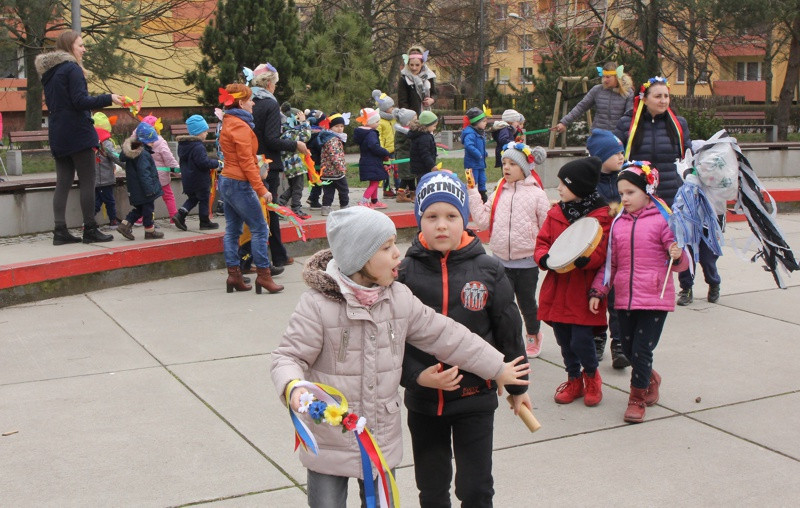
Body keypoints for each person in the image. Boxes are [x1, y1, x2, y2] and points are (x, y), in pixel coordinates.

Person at [270, 206, 530, 508]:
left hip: (379, 437)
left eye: (395, 244)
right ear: (360, 258)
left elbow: (448, 335)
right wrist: (293, 386)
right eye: (386, 247)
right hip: (330, 440)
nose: (398, 254)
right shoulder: (317, 306)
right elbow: (288, 355)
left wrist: (496, 366)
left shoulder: (399, 299)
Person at [398, 171, 531, 507]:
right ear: (419, 220)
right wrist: (416, 377)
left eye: (451, 216)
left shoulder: (488, 269)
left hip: (475, 400)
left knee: (476, 488)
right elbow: (389, 338)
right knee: (431, 488)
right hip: (425, 403)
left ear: (465, 218)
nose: (442, 225)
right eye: (431, 216)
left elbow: (508, 331)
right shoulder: (403, 273)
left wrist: (518, 388)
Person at [589, 162, 689, 423]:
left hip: (654, 298)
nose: (624, 198)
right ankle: (651, 377)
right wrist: (598, 290)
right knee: (631, 350)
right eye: (621, 193)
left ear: (648, 191)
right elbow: (611, 263)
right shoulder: (619, 223)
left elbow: (680, 262)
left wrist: (677, 255)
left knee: (642, 350)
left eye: (630, 192)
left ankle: (636, 398)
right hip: (623, 298)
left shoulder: (663, 221)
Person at [535, 157, 612, 407]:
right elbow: (543, 242)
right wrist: (544, 259)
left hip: (581, 289)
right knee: (564, 339)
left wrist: (585, 260)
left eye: (563, 184)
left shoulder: (601, 217)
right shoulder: (556, 213)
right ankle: (573, 378)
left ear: (579, 187)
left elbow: (602, 250)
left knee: (582, 338)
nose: (558, 189)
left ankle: (592, 376)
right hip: (558, 288)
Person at [35, 30, 124, 245]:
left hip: (58, 132)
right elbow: (80, 101)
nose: (84, 49)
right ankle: (90, 229)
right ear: (69, 47)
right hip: (77, 132)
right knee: (88, 181)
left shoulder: (50, 72)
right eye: (81, 45)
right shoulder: (72, 69)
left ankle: (60, 231)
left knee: (63, 182)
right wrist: (109, 97)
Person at [467, 142, 550, 358]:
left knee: (527, 303)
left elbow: (547, 227)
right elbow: (483, 222)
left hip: (527, 261)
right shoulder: (498, 192)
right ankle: (505, 339)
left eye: (512, 163)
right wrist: (473, 193)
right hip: (500, 261)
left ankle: (533, 334)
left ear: (524, 167)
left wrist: (544, 252)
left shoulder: (537, 195)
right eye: (504, 162)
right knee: (502, 305)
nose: (506, 167)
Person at [216, 83, 283, 295]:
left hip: (227, 180)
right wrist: (261, 189)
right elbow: (247, 162)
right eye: (250, 99)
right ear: (241, 102)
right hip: (239, 183)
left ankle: (234, 275)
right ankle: (264, 276)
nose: (253, 103)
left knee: (233, 230)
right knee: (260, 228)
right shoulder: (240, 126)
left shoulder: (230, 121)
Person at [251, 63, 305, 268]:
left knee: (254, 211)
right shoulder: (269, 104)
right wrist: (296, 144)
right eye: (275, 83)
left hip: (249, 161)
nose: (275, 88)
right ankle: (276, 255)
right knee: (269, 209)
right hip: (267, 165)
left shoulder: (249, 101)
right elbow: (272, 139)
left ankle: (268, 254)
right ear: (267, 83)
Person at [586, 128, 630, 369]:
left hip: (621, 251)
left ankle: (619, 343)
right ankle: (597, 335)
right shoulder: (590, 184)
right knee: (595, 297)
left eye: (622, 151)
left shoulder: (627, 179)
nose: (621, 156)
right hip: (598, 251)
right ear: (601, 157)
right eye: (616, 153)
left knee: (616, 300)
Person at [613, 76, 691, 207]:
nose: (663, 101)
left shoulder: (678, 124)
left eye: (666, 96)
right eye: (658, 96)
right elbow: (615, 154)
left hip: (671, 193)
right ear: (644, 98)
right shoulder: (627, 123)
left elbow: (688, 155)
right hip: (638, 193)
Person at [115, 122, 165, 241]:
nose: (153, 144)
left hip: (135, 189)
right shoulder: (143, 154)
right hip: (144, 190)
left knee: (139, 210)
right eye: (151, 141)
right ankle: (149, 231)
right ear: (144, 141)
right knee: (148, 210)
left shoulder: (133, 151)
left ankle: (125, 225)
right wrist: (150, 190)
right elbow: (144, 173)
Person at [553, 61, 634, 134]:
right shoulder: (597, 90)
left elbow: (629, 116)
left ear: (617, 77)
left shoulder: (628, 92)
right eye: (603, 76)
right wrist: (564, 123)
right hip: (599, 134)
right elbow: (581, 107)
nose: (604, 80)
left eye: (608, 77)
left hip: (618, 136)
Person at [172, 114, 220, 231]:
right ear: (199, 132)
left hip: (188, 179)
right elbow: (203, 163)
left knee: (193, 198)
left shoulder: (184, 146)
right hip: (200, 179)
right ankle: (205, 222)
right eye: (205, 131)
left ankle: (180, 215)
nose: (207, 133)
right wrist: (217, 163)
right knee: (204, 199)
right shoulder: (198, 147)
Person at [141, 114, 180, 227]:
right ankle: (173, 217)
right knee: (168, 196)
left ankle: (141, 218)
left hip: (147, 175)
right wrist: (176, 171)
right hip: (161, 175)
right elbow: (168, 157)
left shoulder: (141, 142)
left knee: (147, 198)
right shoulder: (160, 142)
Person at [277, 108, 313, 220]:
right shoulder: (290, 133)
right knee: (298, 187)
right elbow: (306, 135)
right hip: (294, 166)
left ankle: (280, 204)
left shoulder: (283, 132)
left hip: (290, 166)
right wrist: (304, 122)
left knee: (293, 187)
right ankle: (296, 208)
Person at [354, 108, 391, 209]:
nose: (378, 123)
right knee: (374, 183)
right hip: (372, 161)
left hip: (368, 160)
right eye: (376, 121)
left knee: (374, 181)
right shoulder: (371, 133)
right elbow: (374, 146)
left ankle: (374, 201)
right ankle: (363, 201)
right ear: (369, 122)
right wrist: (385, 152)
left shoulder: (364, 133)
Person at [92, 112, 121, 229]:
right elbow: (115, 156)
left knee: (97, 201)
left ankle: (88, 221)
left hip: (93, 179)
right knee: (109, 201)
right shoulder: (106, 143)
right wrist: (126, 164)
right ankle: (113, 221)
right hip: (105, 178)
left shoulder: (90, 142)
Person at [319, 113, 350, 216]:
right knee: (344, 189)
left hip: (326, 171)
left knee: (328, 191)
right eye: (336, 126)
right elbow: (335, 155)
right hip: (335, 172)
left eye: (341, 126)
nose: (340, 129)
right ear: (331, 127)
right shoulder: (333, 139)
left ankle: (326, 208)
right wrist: (341, 167)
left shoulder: (329, 137)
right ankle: (344, 206)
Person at [374, 89, 399, 198]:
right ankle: (387, 189)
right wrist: (382, 150)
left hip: (396, 148)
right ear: (384, 108)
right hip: (386, 151)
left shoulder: (393, 119)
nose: (393, 108)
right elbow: (379, 136)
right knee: (387, 172)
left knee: (398, 170)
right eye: (390, 107)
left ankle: (400, 188)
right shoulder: (380, 121)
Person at [461, 107, 489, 202]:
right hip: (472, 163)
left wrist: (484, 153)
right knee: (473, 181)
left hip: (480, 162)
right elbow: (469, 146)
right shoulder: (470, 133)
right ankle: (468, 197)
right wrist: (478, 154)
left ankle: (483, 195)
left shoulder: (480, 132)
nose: (486, 123)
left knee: (482, 179)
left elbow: (481, 145)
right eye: (484, 121)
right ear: (477, 122)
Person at [397, 45, 436, 114]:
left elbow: (434, 93)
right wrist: (409, 117)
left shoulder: (428, 76)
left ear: (422, 63)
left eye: (417, 65)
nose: (414, 68)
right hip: (412, 117)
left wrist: (432, 100)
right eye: (411, 65)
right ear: (408, 64)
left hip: (427, 114)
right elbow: (402, 102)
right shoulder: (404, 79)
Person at [393, 107, 418, 203]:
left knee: (410, 176)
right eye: (415, 119)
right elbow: (407, 144)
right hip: (404, 157)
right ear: (408, 122)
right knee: (406, 177)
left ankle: (412, 194)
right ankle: (401, 195)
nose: (417, 121)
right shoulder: (405, 133)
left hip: (407, 156)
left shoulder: (405, 131)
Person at [408, 111, 439, 182]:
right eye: (434, 126)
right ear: (427, 125)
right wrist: (432, 165)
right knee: (424, 183)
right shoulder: (424, 138)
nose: (435, 128)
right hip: (423, 167)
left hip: (421, 166)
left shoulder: (422, 135)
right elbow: (425, 154)